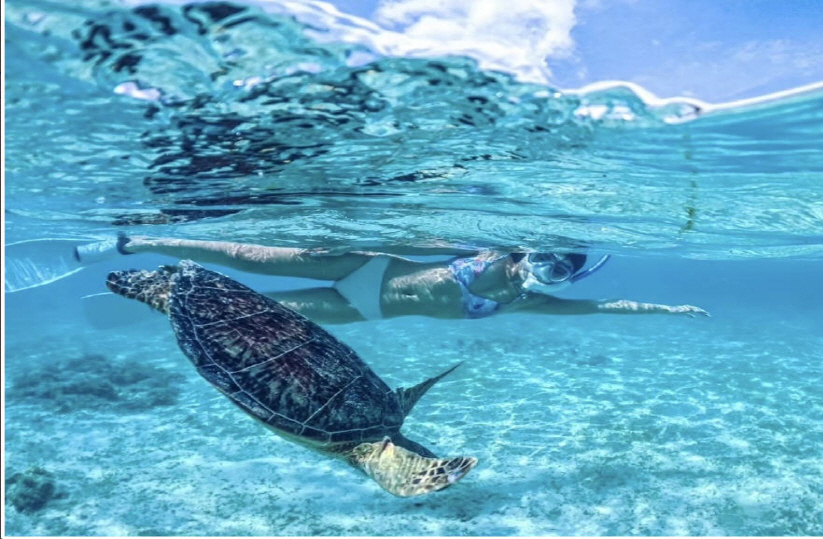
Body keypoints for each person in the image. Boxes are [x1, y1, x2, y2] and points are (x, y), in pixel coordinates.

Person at [75, 234, 709, 324]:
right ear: (529, 250)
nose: (548, 274)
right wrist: (356, 241)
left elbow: (598, 309)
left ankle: (154, 291)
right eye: (547, 259)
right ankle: (133, 240)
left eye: (561, 272)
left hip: (362, 310)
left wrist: (663, 310)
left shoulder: (523, 301)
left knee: (253, 314)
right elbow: (415, 241)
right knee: (251, 258)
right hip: (362, 266)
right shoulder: (490, 254)